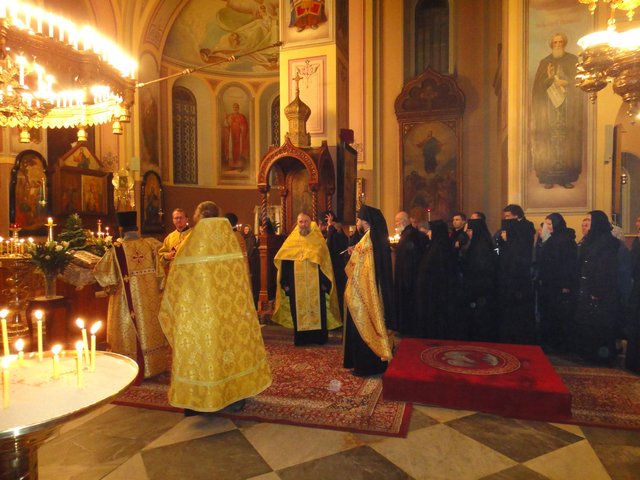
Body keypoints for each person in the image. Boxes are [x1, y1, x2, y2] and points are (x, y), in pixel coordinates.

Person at [158, 201, 271, 414]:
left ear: (198, 216)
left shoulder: (191, 242)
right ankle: (234, 396)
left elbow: (176, 280)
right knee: (230, 350)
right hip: (230, 312)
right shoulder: (231, 240)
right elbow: (242, 277)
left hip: (199, 314)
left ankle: (197, 400)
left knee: (202, 353)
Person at [93, 211, 169, 384]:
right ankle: (153, 366)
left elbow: (104, 276)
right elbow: (160, 277)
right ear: (136, 228)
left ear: (121, 230)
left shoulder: (117, 250)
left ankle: (127, 367)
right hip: (149, 300)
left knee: (127, 330)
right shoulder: (150, 246)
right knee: (149, 328)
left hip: (125, 302)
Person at [273, 213, 341, 345]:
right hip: (296, 285)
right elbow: (285, 262)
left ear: (311, 223)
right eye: (301, 222)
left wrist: (325, 283)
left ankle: (319, 338)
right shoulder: (291, 241)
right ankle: (302, 339)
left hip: (316, 285)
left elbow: (325, 263)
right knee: (298, 312)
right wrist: (285, 283)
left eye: (306, 222)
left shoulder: (318, 241)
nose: (303, 224)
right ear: (297, 223)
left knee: (318, 311)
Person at [343, 205, 394, 376]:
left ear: (365, 221)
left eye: (358, 219)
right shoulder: (373, 237)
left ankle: (367, 366)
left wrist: (353, 255)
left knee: (364, 329)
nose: (357, 223)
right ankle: (372, 364)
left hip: (364, 294)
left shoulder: (369, 239)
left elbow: (363, 268)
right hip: (371, 293)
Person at [531, 32, 583, 189]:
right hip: (549, 113)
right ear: (551, 45)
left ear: (564, 43)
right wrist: (549, 78)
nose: (558, 45)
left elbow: (579, 83)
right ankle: (548, 177)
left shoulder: (572, 60)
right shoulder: (545, 62)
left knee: (566, 142)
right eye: (555, 42)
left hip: (567, 112)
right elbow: (538, 88)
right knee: (548, 142)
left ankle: (566, 178)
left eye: (560, 42)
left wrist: (566, 82)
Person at [496, 204, 537, 344]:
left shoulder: (527, 226)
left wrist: (508, 239)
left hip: (519, 274)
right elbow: (500, 247)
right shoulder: (508, 227)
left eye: (508, 216)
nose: (506, 219)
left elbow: (522, 250)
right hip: (507, 272)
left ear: (516, 215)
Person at [537, 213, 578, 351]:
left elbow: (569, 264)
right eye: (546, 224)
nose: (548, 227)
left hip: (559, 284)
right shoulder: (552, 239)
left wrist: (566, 284)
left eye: (550, 224)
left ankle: (559, 344)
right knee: (549, 313)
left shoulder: (565, 240)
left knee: (558, 314)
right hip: (549, 283)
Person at [415, 220, 457, 339]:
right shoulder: (434, 246)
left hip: (436, 292)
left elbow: (440, 272)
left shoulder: (440, 249)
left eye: (431, 231)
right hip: (431, 291)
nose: (428, 233)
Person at [460, 216, 498, 342]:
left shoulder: (482, 246)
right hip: (475, 286)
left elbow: (481, 267)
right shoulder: (475, 244)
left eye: (470, 230)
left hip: (480, 288)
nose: (468, 233)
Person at [393, 211, 427, 336]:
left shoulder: (410, 235)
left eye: (397, 221)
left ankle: (407, 329)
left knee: (407, 305)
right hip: (407, 276)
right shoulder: (408, 234)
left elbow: (410, 259)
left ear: (404, 221)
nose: (396, 224)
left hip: (408, 278)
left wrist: (405, 279)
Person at [324, 211, 349, 320]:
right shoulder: (335, 232)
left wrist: (331, 228)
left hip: (336, 269)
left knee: (337, 294)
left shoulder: (335, 234)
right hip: (335, 268)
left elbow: (329, 249)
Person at [222, 103, 250, 171]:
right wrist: (226, 120)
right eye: (234, 107)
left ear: (238, 108)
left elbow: (245, 126)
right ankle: (232, 166)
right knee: (231, 150)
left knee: (239, 150)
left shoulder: (241, 117)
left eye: (236, 107)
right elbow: (226, 125)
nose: (235, 108)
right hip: (231, 136)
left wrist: (241, 129)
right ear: (233, 108)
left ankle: (240, 166)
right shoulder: (230, 116)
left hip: (239, 136)